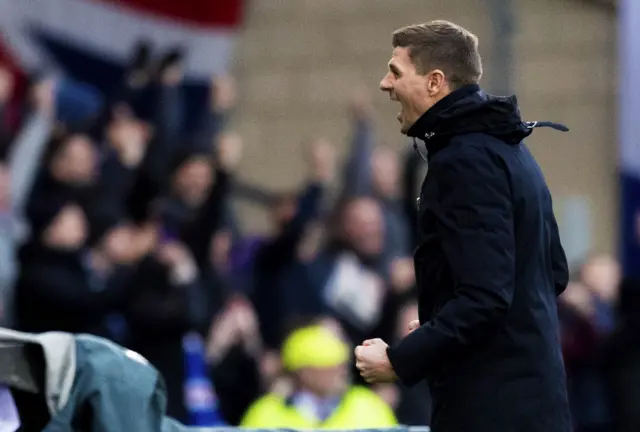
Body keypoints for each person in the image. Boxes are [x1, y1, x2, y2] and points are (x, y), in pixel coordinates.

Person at [354, 20, 572, 432]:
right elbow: (552, 274)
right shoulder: (511, 150)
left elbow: (485, 297)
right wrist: (441, 320)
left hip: (491, 409)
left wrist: (400, 360)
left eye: (396, 72)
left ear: (435, 82)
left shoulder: (463, 161)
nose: (385, 84)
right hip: (537, 401)